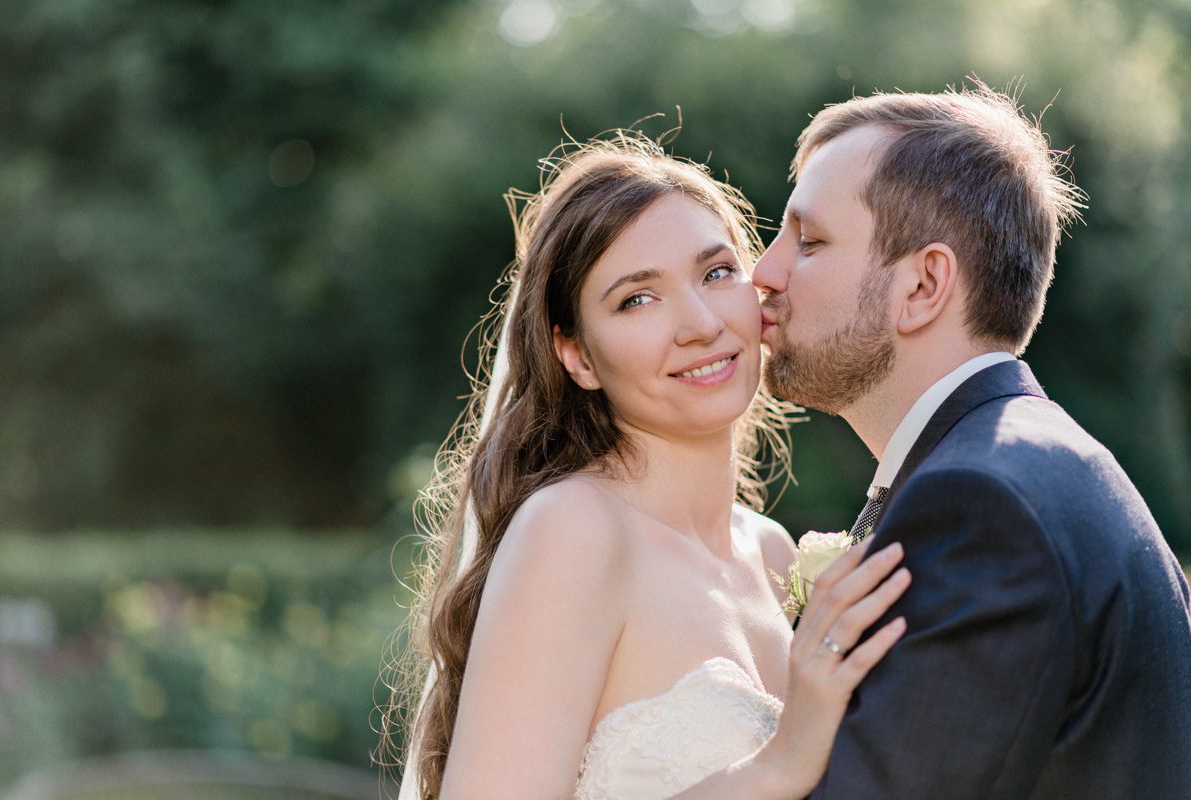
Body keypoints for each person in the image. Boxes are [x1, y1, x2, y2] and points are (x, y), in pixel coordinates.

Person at [384, 133, 912, 800]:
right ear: (575, 355)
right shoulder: (573, 531)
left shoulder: (774, 555)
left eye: (717, 273)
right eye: (638, 298)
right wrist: (776, 767)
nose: (698, 323)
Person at [753, 83, 1191, 798]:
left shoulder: (985, 507)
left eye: (809, 241)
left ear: (924, 285)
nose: (764, 273)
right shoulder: (1025, 466)